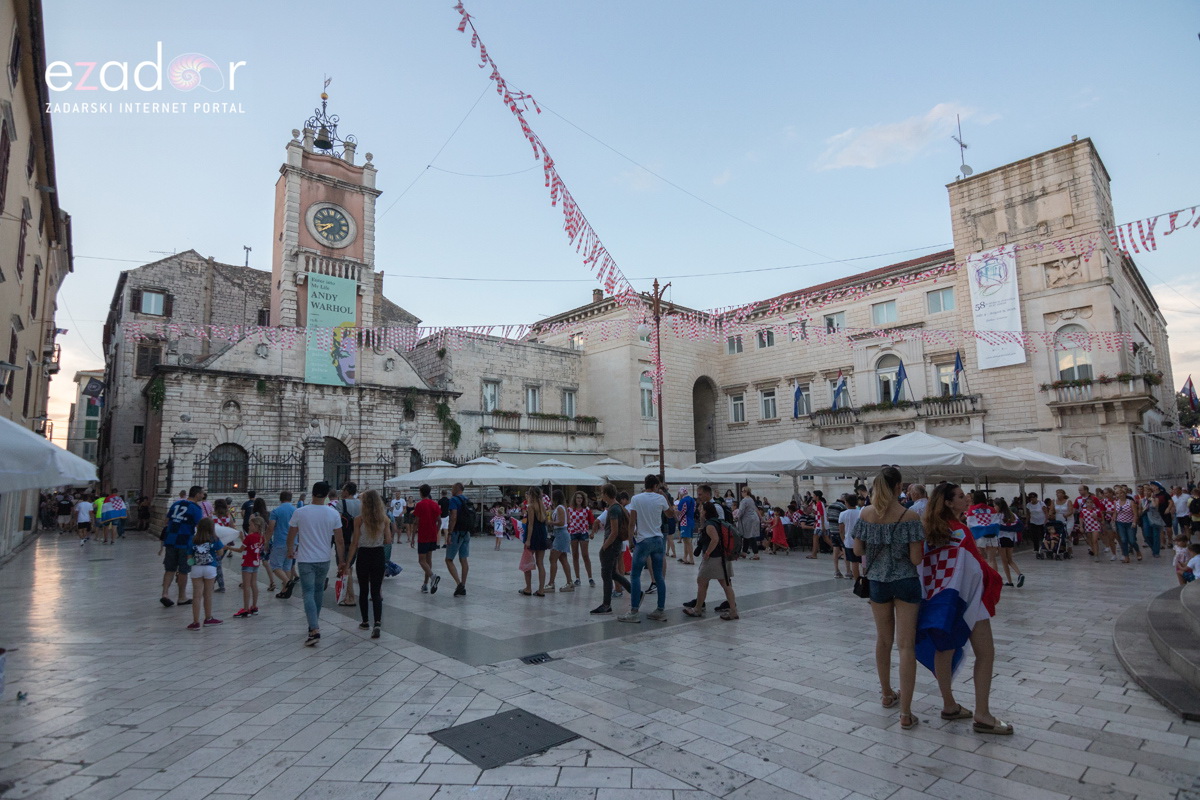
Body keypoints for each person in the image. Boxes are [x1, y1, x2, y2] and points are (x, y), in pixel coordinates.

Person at [921, 481, 1011, 735]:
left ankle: (949, 704)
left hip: (941, 602)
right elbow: (977, 569)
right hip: (969, 599)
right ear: (948, 502)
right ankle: (982, 713)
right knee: (986, 653)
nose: (967, 499)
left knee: (944, 650)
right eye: (960, 496)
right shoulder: (961, 531)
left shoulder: (929, 530)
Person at [853, 467, 924, 730]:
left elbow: (857, 549)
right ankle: (906, 713)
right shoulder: (910, 516)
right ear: (899, 487)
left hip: (878, 584)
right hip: (905, 581)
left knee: (883, 640)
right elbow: (916, 559)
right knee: (906, 646)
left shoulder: (866, 513)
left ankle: (886, 694)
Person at [286, 481, 345, 646]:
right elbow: (339, 540)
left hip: (305, 559)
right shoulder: (332, 513)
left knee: (308, 593)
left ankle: (314, 628)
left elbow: (291, 535)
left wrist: (290, 549)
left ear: (312, 493)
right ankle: (314, 625)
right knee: (318, 591)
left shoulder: (300, 512)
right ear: (327, 495)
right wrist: (341, 561)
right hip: (323, 558)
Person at [619, 474, 674, 623]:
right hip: (657, 539)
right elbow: (670, 514)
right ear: (656, 486)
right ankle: (660, 610)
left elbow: (632, 522)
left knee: (635, 575)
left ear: (645, 484)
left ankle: (634, 611)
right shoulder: (660, 498)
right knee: (659, 576)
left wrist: (630, 540)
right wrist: (665, 497)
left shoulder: (636, 499)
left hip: (643, 540)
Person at [348, 489, 395, 637]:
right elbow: (388, 540)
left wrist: (347, 562)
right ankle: (378, 622)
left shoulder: (359, 519)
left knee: (363, 590)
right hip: (378, 554)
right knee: (376, 591)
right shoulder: (385, 519)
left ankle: (365, 621)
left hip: (364, 554)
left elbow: (354, 543)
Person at [683, 500, 739, 620]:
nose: (700, 510)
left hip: (714, 558)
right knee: (725, 584)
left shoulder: (710, 525)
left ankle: (697, 609)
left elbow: (715, 539)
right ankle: (733, 611)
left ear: (706, 512)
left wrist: (707, 553)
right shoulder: (717, 522)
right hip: (722, 558)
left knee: (702, 581)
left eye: (702, 509)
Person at [592, 484, 632, 614]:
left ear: (606, 494)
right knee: (613, 574)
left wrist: (604, 547)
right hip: (615, 545)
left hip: (611, 545)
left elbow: (614, 532)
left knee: (606, 575)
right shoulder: (615, 507)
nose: (601, 496)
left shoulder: (614, 509)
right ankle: (635, 592)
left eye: (602, 493)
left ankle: (606, 604)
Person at [161, 486, 204, 607]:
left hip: (170, 539)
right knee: (183, 570)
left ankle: (165, 594)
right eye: (202, 494)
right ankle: (182, 597)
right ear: (196, 495)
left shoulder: (176, 503)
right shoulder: (196, 508)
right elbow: (199, 526)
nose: (203, 496)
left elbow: (167, 520)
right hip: (185, 541)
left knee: (169, 569)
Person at [185, 519, 226, 630]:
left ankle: (195, 622)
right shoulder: (214, 539)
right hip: (210, 567)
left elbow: (189, 557)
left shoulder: (193, 539)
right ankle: (208, 618)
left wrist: (193, 561)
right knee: (208, 594)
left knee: (196, 596)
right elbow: (220, 552)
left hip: (196, 568)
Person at [229, 514, 265, 618]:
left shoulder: (249, 537)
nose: (249, 527)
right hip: (256, 562)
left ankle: (245, 608)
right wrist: (242, 537)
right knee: (254, 584)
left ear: (255, 526)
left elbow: (241, 549)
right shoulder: (261, 537)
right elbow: (249, 545)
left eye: (251, 525)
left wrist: (228, 547)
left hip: (247, 562)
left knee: (246, 585)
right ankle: (254, 606)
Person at [336, 484, 362, 606]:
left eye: (343, 490)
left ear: (347, 491)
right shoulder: (361, 503)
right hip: (357, 538)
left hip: (345, 539)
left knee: (345, 567)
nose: (342, 492)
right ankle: (347, 594)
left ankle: (350, 597)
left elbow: (337, 522)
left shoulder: (341, 503)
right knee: (350, 566)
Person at [520, 487, 550, 596]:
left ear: (531, 495)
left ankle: (528, 588)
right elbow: (546, 522)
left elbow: (531, 525)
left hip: (533, 536)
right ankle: (541, 590)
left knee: (527, 561)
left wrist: (528, 540)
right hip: (542, 535)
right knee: (540, 563)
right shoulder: (542, 506)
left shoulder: (531, 507)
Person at [413, 484, 442, 594]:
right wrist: (436, 530)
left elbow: (416, 521)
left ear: (421, 492)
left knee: (421, 560)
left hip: (423, 536)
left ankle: (432, 576)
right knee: (428, 560)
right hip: (432, 535)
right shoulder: (434, 504)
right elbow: (439, 520)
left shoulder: (420, 505)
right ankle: (425, 584)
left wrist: (412, 537)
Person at [269, 492, 298, 598]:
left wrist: (267, 541)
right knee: (287, 566)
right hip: (293, 542)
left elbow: (271, 527)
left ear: (280, 499)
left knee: (275, 565)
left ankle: (287, 582)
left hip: (280, 541)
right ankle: (285, 591)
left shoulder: (276, 511)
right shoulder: (296, 511)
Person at [445, 482, 472, 597]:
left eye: (452, 488)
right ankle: (463, 585)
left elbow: (453, 517)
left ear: (457, 488)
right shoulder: (467, 499)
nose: (451, 490)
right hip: (466, 532)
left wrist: (449, 533)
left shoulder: (454, 500)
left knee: (449, 559)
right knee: (463, 559)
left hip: (457, 532)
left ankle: (459, 583)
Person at [546, 490, 575, 592]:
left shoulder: (559, 508)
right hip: (562, 534)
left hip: (560, 534)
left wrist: (550, 522)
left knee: (552, 558)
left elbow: (562, 522)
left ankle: (551, 583)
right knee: (563, 559)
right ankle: (569, 582)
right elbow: (568, 521)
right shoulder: (563, 507)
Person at [994, 499, 1024, 587]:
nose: (994, 507)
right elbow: (1019, 525)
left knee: (1004, 561)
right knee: (1010, 560)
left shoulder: (997, 516)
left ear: (999, 506)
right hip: (1011, 538)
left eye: (995, 505)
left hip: (1001, 538)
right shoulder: (1012, 515)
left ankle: (1010, 581)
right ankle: (1019, 574)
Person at [568, 491, 596, 585]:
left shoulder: (586, 510)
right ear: (574, 499)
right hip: (573, 533)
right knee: (575, 555)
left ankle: (590, 577)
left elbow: (593, 522)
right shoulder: (570, 510)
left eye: (581, 498)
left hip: (584, 533)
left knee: (585, 555)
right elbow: (567, 522)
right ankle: (577, 578)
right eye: (577, 498)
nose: (579, 499)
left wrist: (592, 533)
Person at [1113, 487, 1141, 564]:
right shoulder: (1116, 502)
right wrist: (1114, 519)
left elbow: (1135, 514)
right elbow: (1115, 512)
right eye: (1118, 493)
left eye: (1122, 493)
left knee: (1132, 540)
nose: (1120, 495)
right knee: (1123, 540)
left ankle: (1138, 551)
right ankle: (1126, 556)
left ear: (1125, 494)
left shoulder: (1131, 502)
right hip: (1120, 523)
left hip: (1130, 523)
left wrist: (1134, 522)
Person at [839, 495, 862, 580]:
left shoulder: (843, 514)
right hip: (860, 541)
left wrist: (843, 540)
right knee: (864, 562)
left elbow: (841, 530)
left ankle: (857, 581)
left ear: (847, 503)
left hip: (849, 541)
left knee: (854, 563)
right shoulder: (860, 512)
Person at [734, 486, 760, 560]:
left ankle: (756, 554)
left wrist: (736, 517)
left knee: (751, 537)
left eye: (742, 491)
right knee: (747, 536)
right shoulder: (751, 499)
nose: (741, 493)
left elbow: (741, 511)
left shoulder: (744, 500)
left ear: (745, 492)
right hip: (753, 519)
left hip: (748, 520)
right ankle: (744, 552)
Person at [676, 489, 696, 565]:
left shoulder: (683, 501)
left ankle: (691, 559)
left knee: (687, 541)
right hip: (691, 521)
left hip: (685, 522)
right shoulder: (692, 500)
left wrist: (675, 512)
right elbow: (693, 510)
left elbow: (680, 512)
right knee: (686, 541)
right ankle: (685, 557)